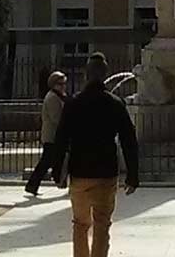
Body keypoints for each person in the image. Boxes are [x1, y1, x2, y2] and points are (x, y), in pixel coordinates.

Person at [52, 52, 139, 257]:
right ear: (105, 75)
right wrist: (133, 175)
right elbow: (129, 140)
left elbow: (61, 139)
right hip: (106, 172)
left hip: (80, 172)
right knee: (102, 225)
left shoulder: (73, 103)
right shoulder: (115, 103)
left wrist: (58, 172)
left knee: (80, 224)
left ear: (86, 75)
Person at [25, 70, 67, 196]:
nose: (63, 86)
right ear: (54, 84)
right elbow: (56, 118)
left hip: (54, 136)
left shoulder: (58, 96)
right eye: (60, 83)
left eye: (64, 83)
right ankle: (33, 184)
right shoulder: (52, 97)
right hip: (51, 136)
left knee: (50, 161)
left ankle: (56, 180)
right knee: (46, 161)